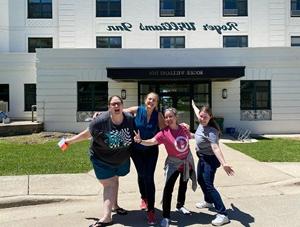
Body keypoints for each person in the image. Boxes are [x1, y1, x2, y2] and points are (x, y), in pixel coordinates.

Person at [64, 95, 135, 227]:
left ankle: (115, 206)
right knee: (109, 183)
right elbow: (86, 134)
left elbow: (143, 110)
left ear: (122, 105)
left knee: (115, 179)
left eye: (118, 103)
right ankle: (107, 217)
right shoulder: (100, 121)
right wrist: (70, 141)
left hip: (121, 159)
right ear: (109, 107)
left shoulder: (129, 119)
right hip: (101, 159)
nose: (116, 106)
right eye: (113, 104)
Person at [134, 107, 197, 227]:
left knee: (183, 185)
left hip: (186, 162)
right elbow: (152, 141)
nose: (168, 119)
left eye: (170, 116)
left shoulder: (183, 128)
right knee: (168, 190)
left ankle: (180, 206)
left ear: (176, 117)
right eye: (166, 117)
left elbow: (191, 136)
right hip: (173, 164)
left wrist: (204, 135)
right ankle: (166, 217)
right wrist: (140, 141)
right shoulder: (163, 133)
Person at [123, 92, 165, 225]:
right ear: (145, 100)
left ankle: (151, 211)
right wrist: (101, 114)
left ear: (157, 103)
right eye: (149, 99)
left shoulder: (158, 115)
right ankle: (144, 197)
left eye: (154, 100)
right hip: (136, 150)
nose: (151, 101)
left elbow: (165, 130)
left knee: (149, 177)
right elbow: (119, 111)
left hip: (151, 150)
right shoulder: (137, 110)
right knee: (141, 174)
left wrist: (182, 128)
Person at [192, 100, 234, 226]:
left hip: (210, 160)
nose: (202, 118)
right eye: (201, 116)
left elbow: (215, 148)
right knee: (200, 179)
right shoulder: (201, 122)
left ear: (210, 117)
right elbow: (196, 112)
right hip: (202, 158)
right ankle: (208, 201)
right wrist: (194, 105)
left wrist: (224, 163)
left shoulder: (212, 131)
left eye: (205, 117)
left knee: (209, 185)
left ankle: (223, 214)